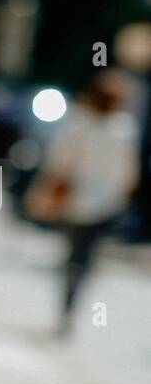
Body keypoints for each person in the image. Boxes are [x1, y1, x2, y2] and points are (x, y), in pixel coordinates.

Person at [26, 70, 139, 334]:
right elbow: (127, 172)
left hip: (76, 201)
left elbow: (59, 160)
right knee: (85, 257)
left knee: (74, 255)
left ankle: (68, 303)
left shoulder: (81, 123)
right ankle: (73, 299)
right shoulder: (124, 129)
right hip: (105, 205)